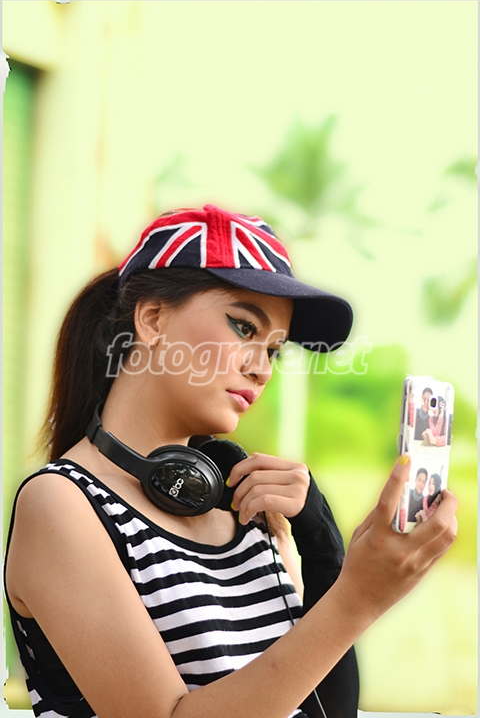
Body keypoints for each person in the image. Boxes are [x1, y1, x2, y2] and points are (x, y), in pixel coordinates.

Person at [4, 204, 457, 718]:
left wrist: (323, 550)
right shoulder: (62, 504)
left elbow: (319, 709)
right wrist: (357, 600)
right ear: (152, 319)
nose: (262, 369)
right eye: (244, 327)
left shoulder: (246, 509)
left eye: (275, 351)